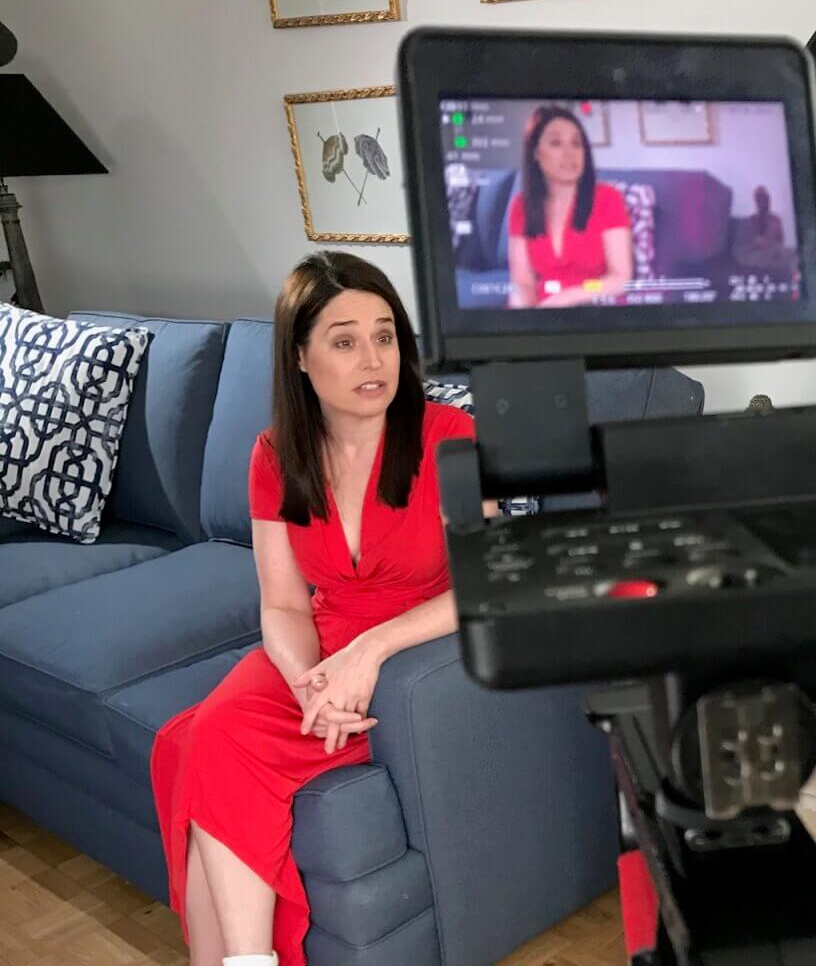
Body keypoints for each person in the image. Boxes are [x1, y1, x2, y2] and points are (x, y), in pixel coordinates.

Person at [150, 252, 490, 966]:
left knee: (205, 745)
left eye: (385, 334)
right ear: (300, 357)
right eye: (344, 340)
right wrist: (309, 681)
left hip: (416, 648)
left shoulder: (450, 439)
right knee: (202, 737)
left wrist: (368, 654)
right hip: (317, 648)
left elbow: (483, 580)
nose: (373, 358)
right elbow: (280, 603)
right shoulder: (276, 453)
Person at [507, 105, 633, 309]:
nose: (569, 153)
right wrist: (522, 317)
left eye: (576, 144)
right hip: (542, 313)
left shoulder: (607, 198)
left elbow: (620, 277)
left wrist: (570, 296)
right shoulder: (521, 205)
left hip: (596, 308)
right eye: (556, 143)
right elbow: (522, 281)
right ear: (536, 153)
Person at [731, 185, 795, 275]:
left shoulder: (776, 220)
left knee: (792, 253)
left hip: (774, 253)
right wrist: (759, 242)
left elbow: (781, 241)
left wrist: (770, 243)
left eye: (765, 198)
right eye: (760, 199)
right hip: (757, 256)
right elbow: (749, 243)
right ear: (756, 201)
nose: (764, 202)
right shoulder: (750, 221)